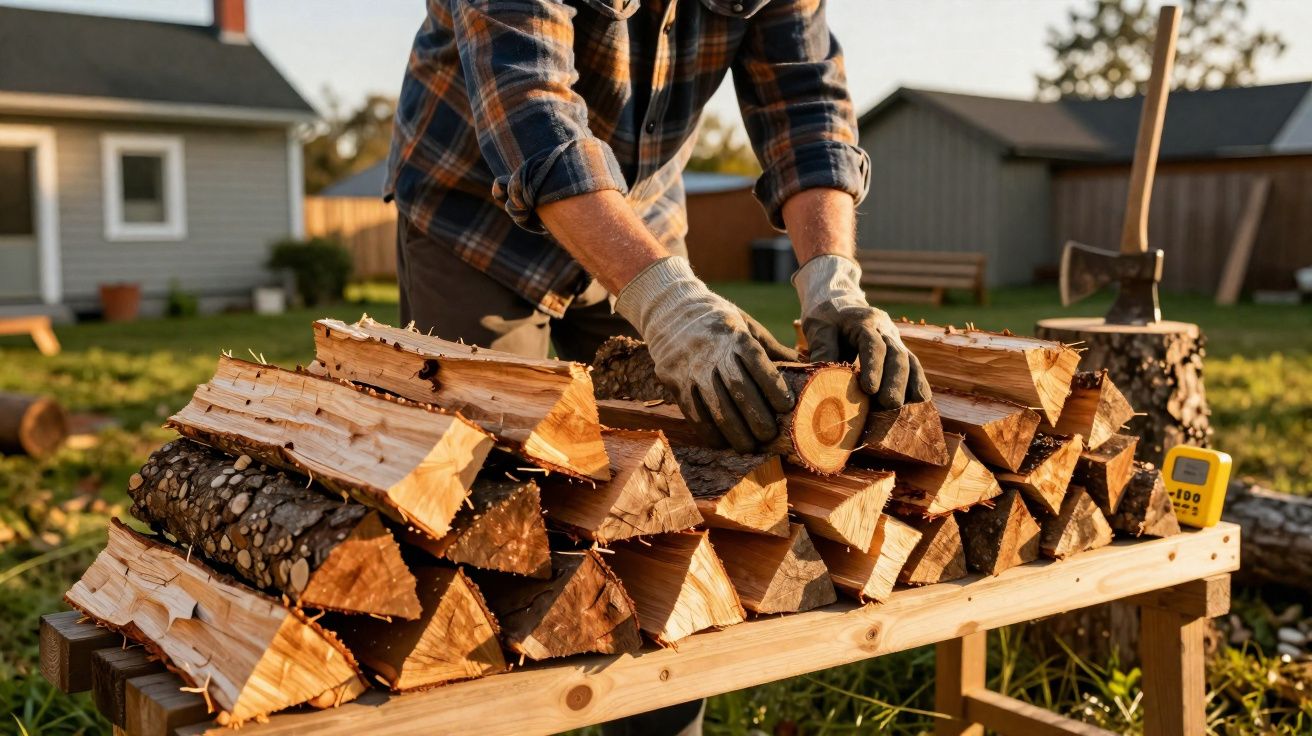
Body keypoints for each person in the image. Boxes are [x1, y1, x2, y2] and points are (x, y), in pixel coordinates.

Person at [387, 0, 929, 732]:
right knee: (481, 505)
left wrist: (833, 274)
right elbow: (529, 100)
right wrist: (661, 300)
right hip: (473, 216)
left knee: (670, 503)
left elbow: (805, 101)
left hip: (638, 219)